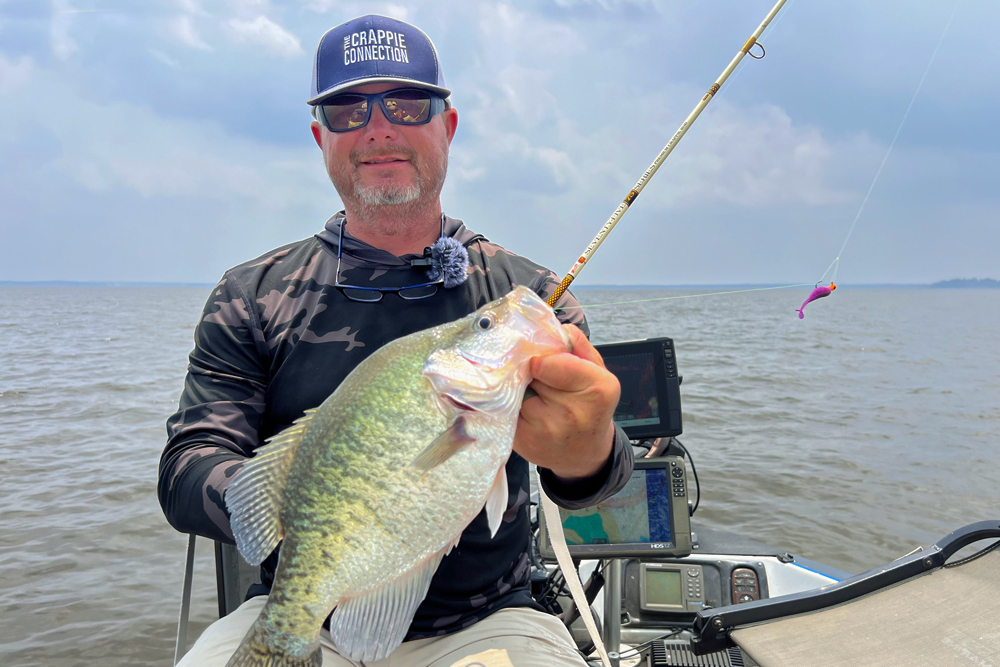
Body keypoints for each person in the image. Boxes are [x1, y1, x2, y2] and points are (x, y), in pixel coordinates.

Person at [158, 14, 634, 667]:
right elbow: (189, 460)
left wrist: (588, 454)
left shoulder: (532, 296)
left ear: (450, 125)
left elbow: (595, 483)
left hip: (489, 620)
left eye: (407, 103)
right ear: (320, 136)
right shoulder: (250, 295)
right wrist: (290, 503)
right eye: (348, 109)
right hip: (303, 612)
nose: (378, 125)